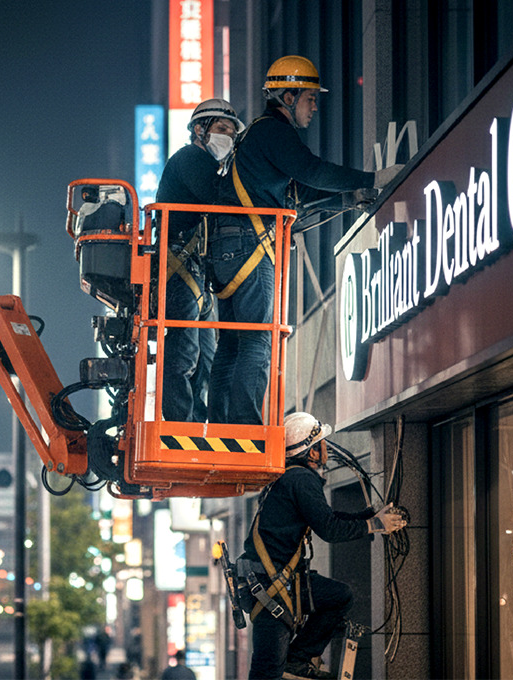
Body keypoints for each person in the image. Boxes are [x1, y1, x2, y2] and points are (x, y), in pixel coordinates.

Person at [207, 56, 402, 424]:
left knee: (232, 344)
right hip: (251, 246)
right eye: (310, 98)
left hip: (228, 248)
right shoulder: (273, 131)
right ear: (288, 95)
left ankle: (222, 429)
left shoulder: (255, 138)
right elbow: (312, 171)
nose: (314, 107)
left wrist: (347, 198)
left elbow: (297, 192)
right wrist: (373, 178)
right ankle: (244, 432)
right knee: (257, 341)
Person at [238, 412, 407, 679]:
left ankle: (298, 659)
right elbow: (329, 529)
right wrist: (375, 525)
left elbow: (325, 519)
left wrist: (368, 517)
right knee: (267, 672)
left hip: (270, 580)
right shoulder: (301, 480)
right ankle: (297, 659)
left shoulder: (286, 478)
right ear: (312, 451)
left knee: (337, 596)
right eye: (322, 442)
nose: (326, 447)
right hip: (271, 587)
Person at [155, 98, 244, 422]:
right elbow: (219, 196)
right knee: (185, 354)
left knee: (206, 357)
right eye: (222, 129)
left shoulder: (206, 164)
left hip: (196, 272)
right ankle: (180, 426)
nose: (228, 138)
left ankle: (195, 422)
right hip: (178, 268)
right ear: (199, 130)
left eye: (233, 133)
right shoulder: (192, 158)